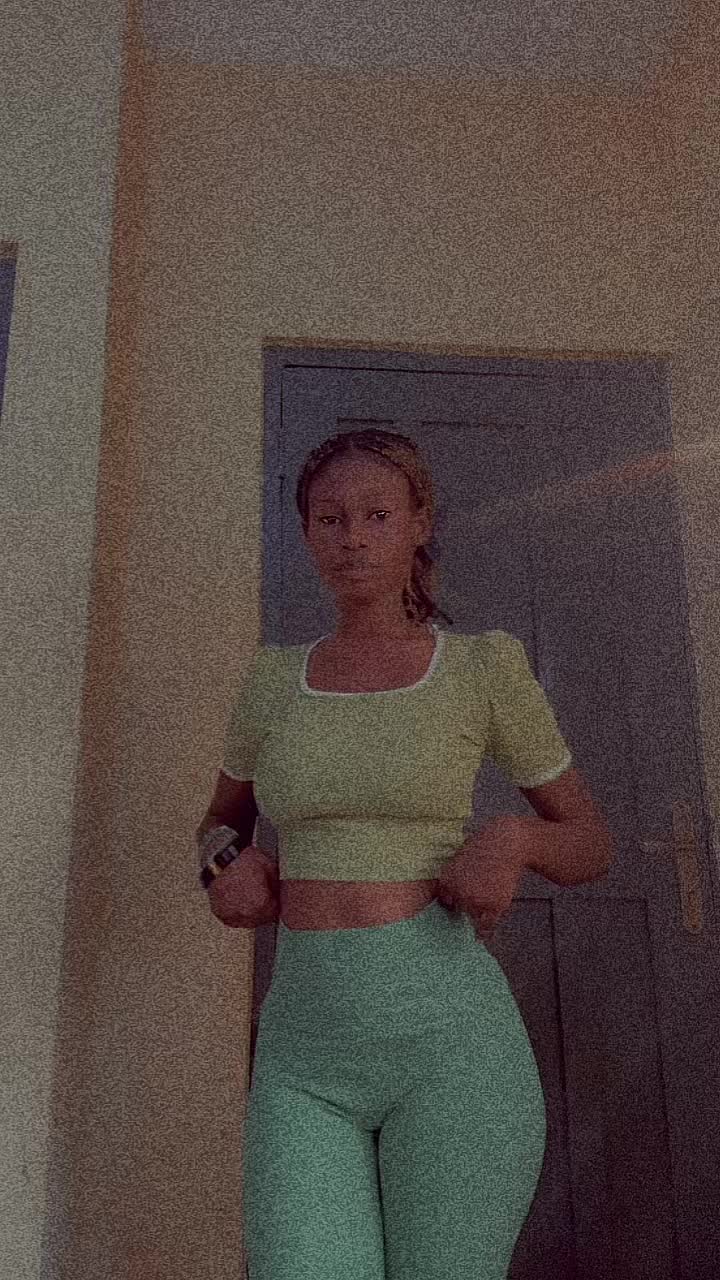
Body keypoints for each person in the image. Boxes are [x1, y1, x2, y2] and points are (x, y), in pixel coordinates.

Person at [196, 428, 614, 1280]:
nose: (352, 537)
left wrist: (513, 838)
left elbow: (591, 840)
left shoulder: (481, 669)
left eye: (377, 515)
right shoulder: (273, 679)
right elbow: (217, 826)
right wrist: (219, 868)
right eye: (330, 519)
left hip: (450, 1050)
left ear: (419, 522)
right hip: (305, 1057)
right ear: (307, 533)